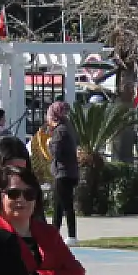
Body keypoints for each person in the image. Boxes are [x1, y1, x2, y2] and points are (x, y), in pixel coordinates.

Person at [46, 100, 79, 244]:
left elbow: (57, 152)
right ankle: (54, 233)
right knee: (58, 206)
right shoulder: (68, 127)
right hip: (69, 171)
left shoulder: (60, 130)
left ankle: (72, 235)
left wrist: (49, 144)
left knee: (66, 205)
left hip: (63, 172)